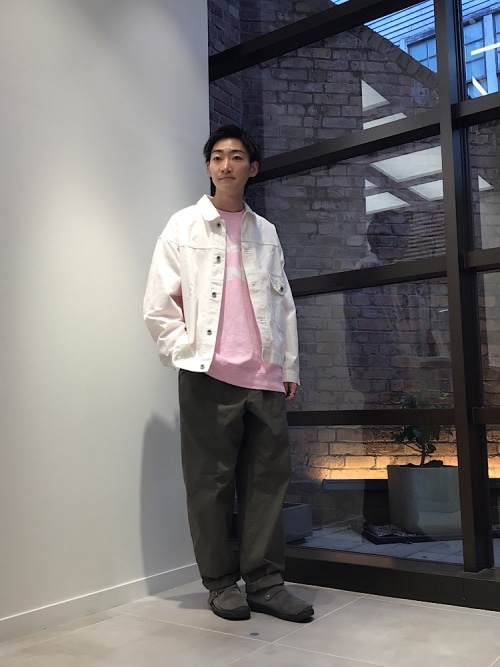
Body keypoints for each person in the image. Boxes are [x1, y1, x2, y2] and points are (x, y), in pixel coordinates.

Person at [143, 124, 313, 623]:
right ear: (208, 167)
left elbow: (284, 305)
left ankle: (265, 583)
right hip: (208, 376)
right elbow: (158, 304)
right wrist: (186, 352)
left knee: (267, 483)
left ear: (251, 168)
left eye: (236, 156)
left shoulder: (267, 232)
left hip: (264, 376)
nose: (226, 164)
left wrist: (287, 365)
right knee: (209, 484)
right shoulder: (183, 226)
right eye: (217, 156)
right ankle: (220, 584)